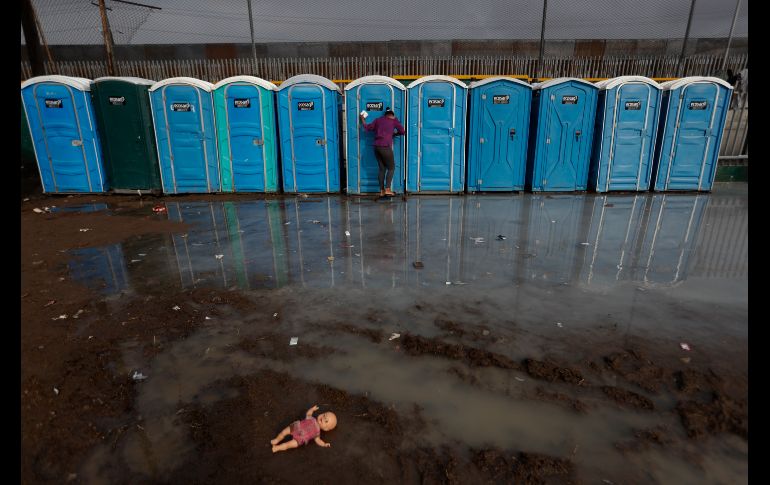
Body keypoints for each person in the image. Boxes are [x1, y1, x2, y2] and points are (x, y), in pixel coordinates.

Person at [359, 108, 405, 196]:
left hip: (376, 147)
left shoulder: (378, 120)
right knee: (391, 168)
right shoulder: (394, 120)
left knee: (382, 169)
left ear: (385, 115)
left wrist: (362, 119)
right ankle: (387, 189)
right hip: (385, 147)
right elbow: (402, 131)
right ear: (392, 115)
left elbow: (368, 128)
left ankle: (382, 191)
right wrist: (394, 134)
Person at [270, 404, 337, 453]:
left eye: (326, 421)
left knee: (287, 445)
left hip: (301, 438)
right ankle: (276, 440)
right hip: (296, 426)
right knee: (283, 432)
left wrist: (324, 444)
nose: (323, 418)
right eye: (324, 415)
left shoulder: (317, 433)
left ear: (326, 429)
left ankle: (277, 448)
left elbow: (318, 441)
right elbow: (308, 414)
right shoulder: (312, 418)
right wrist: (312, 409)